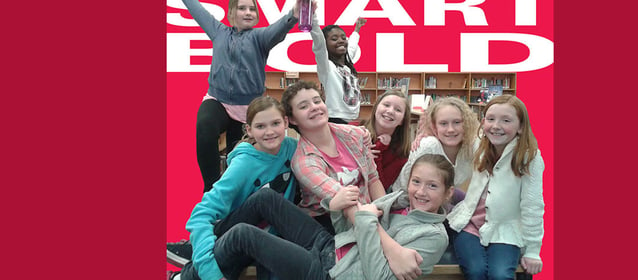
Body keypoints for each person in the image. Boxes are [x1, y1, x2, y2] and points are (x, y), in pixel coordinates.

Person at [168, 153, 455, 280]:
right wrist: (341, 207)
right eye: (417, 181)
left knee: (244, 234)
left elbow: (377, 274)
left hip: (329, 273)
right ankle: (199, 249)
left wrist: (367, 220)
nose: (420, 191)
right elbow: (353, 221)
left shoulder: (431, 236)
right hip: (330, 244)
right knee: (267, 198)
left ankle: (186, 277)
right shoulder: (398, 199)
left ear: (447, 193)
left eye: (432, 186)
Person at [167, 0, 301, 192]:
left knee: (236, 156)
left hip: (247, 107)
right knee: (205, 126)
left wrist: (294, 14)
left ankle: (232, 193)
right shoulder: (218, 31)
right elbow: (195, 8)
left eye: (252, 9)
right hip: (217, 100)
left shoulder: (260, 38)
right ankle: (210, 188)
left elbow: (279, 28)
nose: (248, 12)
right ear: (231, 13)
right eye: (242, 8)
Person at [166, 96, 299, 280]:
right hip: (236, 237)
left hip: (271, 236)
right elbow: (201, 213)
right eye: (260, 126)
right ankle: (187, 269)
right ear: (249, 130)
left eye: (275, 123)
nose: (269, 132)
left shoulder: (293, 148)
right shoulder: (243, 166)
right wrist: (209, 271)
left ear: (285, 122)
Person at [447, 95, 545, 279]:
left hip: (504, 230)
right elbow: (451, 137)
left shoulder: (529, 157)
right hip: (469, 225)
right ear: (483, 122)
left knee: (500, 275)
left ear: (521, 126)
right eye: (490, 119)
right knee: (475, 271)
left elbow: (533, 206)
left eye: (506, 120)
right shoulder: (479, 147)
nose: (496, 126)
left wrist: (533, 250)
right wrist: (424, 135)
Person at [280, 80, 385, 231]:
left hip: (369, 214)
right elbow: (345, 200)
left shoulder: (354, 134)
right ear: (292, 119)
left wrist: (385, 215)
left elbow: (373, 180)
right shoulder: (303, 161)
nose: (314, 107)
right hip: (329, 224)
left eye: (317, 101)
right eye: (304, 106)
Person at [391, 96, 480, 199]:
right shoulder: (429, 146)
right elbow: (407, 188)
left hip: (440, 200)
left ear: (467, 124)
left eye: (457, 122)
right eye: (443, 123)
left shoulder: (470, 145)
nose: (450, 129)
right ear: (434, 126)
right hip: (407, 200)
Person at [303, 0, 365, 123]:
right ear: (325, 44)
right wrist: (311, 13)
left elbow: (352, 46)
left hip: (353, 118)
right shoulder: (327, 67)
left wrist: (356, 30)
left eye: (343, 37)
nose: (341, 41)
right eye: (334, 38)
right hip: (334, 118)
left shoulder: (347, 66)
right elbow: (318, 42)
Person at [363, 90, 412, 189]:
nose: (390, 111)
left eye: (398, 110)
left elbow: (382, 186)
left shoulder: (401, 155)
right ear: (376, 107)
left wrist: (377, 154)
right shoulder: (355, 130)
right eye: (386, 105)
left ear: (402, 120)